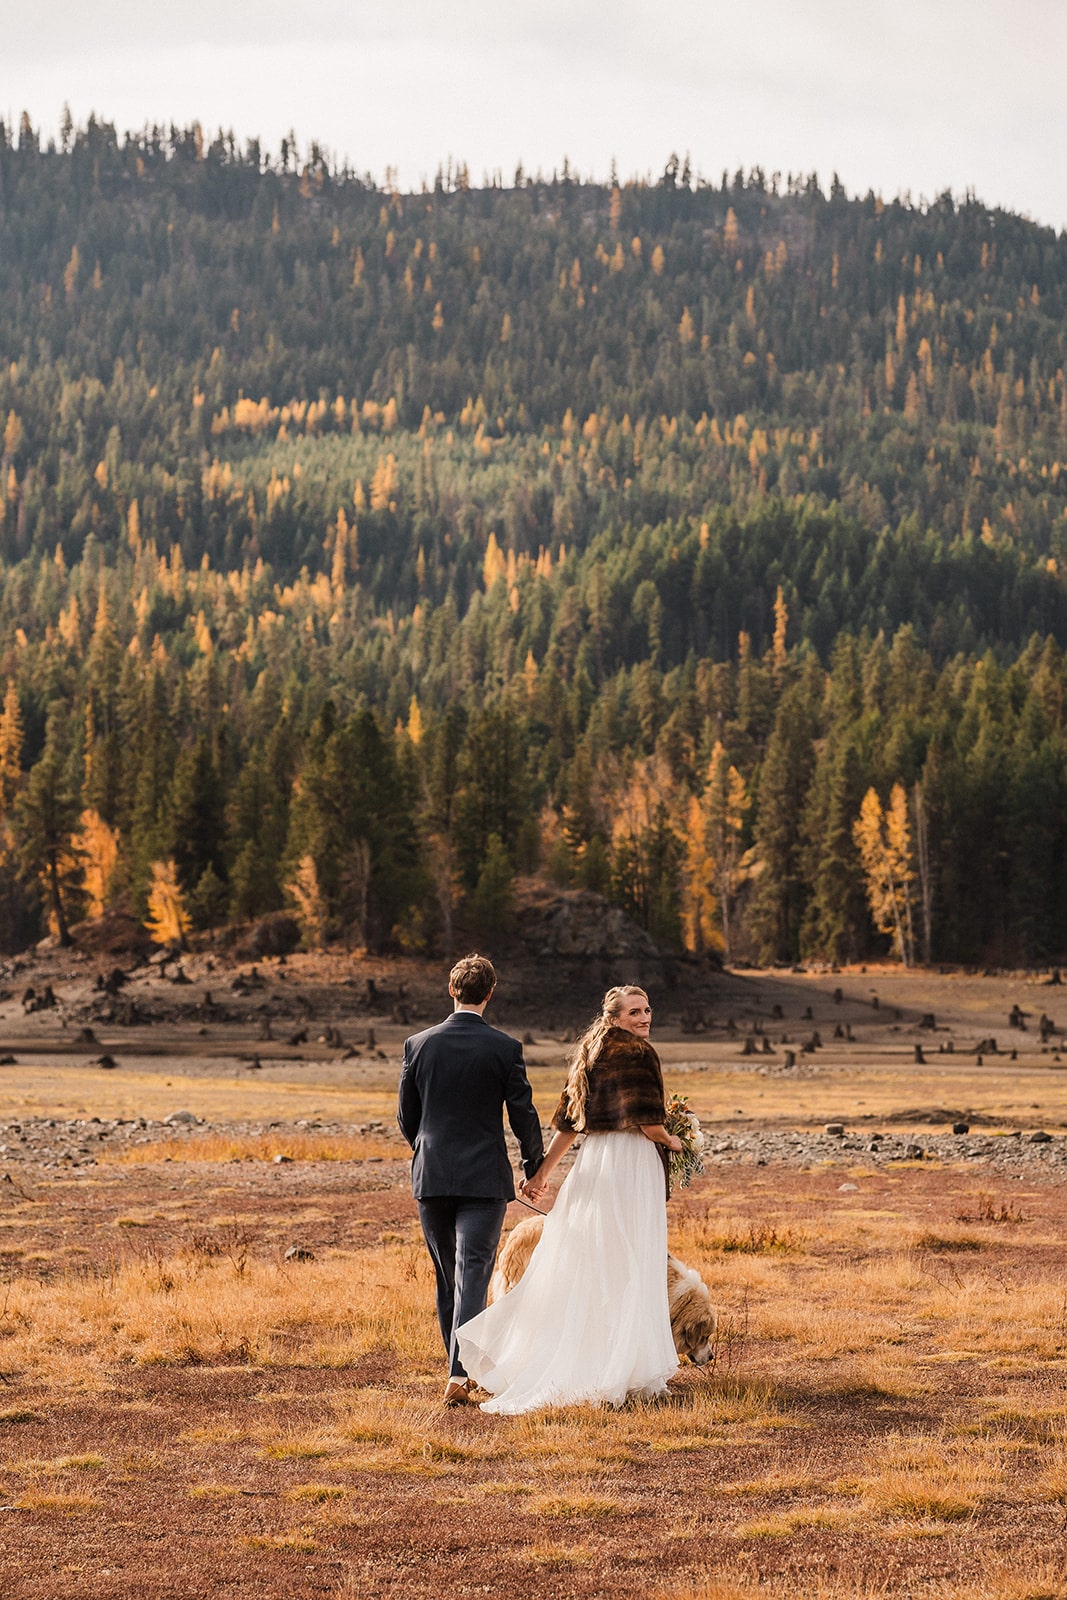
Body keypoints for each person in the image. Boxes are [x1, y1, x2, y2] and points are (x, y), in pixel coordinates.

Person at [456, 984, 683, 1414]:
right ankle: (625, 1367)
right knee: (632, 1259)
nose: (645, 1018)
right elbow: (650, 1121)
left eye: (648, 1009)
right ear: (615, 1017)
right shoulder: (638, 1054)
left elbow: (569, 1124)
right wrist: (672, 1140)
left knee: (589, 1259)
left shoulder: (590, 1052)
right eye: (635, 1012)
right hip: (631, 1164)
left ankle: (588, 1357)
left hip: (595, 1165)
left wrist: (542, 1173)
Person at [398, 953, 544, 1406]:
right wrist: (532, 1169)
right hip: (484, 1179)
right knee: (472, 1274)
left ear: (451, 991)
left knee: (448, 1277)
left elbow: (406, 1116)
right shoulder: (505, 1048)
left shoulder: (417, 1044)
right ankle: (460, 1373)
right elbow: (523, 1115)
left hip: (433, 1174)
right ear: (491, 993)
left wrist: (426, 1148)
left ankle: (458, 1372)